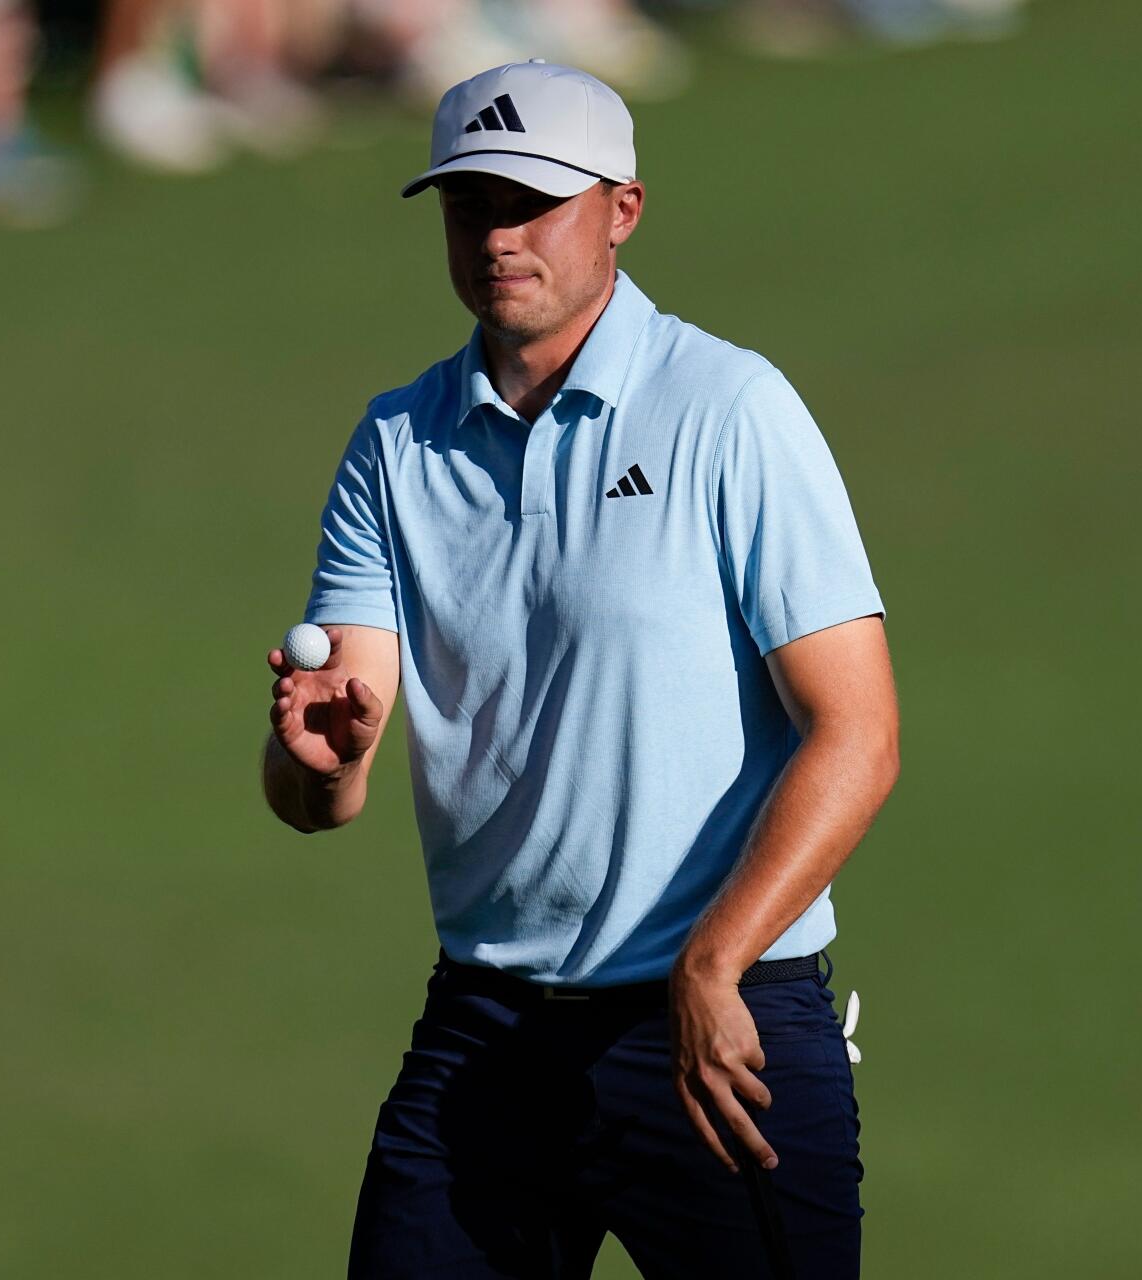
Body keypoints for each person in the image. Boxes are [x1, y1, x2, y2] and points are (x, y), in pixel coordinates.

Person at [260, 58, 898, 1278]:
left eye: (531, 202)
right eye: (468, 206)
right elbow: (323, 791)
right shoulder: (396, 444)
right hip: (489, 1031)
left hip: (723, 1017)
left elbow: (859, 732)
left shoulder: (728, 409)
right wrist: (317, 763)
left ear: (623, 209)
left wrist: (714, 962)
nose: (498, 235)